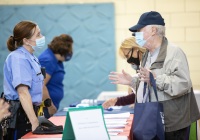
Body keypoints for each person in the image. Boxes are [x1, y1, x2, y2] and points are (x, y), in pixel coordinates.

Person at [109, 11, 200, 139]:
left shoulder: (174, 53)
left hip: (173, 124)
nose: (136, 36)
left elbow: (183, 84)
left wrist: (155, 78)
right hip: (155, 121)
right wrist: (132, 82)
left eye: (140, 31)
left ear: (153, 30)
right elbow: (148, 84)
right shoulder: (147, 55)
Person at [3, 20, 45, 139]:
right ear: (26, 40)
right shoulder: (19, 58)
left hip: (30, 112)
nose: (41, 37)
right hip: (20, 116)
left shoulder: (31, 57)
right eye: (37, 35)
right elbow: (23, 92)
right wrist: (34, 122)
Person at [102, 36, 146, 109]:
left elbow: (148, 92)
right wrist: (116, 101)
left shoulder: (150, 64)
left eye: (127, 55)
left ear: (136, 49)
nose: (128, 60)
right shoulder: (143, 64)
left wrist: (132, 83)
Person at [38, 34, 73, 118]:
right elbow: (40, 86)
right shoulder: (48, 60)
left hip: (51, 106)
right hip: (45, 108)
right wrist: (50, 106)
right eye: (71, 48)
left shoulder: (57, 60)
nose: (71, 52)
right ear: (65, 48)